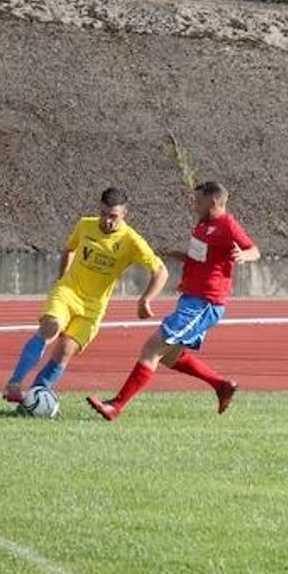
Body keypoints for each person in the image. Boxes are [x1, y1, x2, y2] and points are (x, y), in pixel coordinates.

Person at [87, 180, 259, 420]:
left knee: (152, 349)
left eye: (198, 201)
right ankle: (221, 385)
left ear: (215, 201)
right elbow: (201, 259)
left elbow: (254, 250)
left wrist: (243, 255)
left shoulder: (227, 224)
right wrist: (178, 255)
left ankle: (116, 406)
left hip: (205, 303)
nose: (194, 205)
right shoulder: (202, 226)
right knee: (169, 355)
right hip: (190, 299)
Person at [2, 187, 168, 404]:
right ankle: (14, 384)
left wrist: (146, 299)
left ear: (124, 214)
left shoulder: (132, 241)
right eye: (104, 214)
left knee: (65, 351)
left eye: (114, 217)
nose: (108, 221)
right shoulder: (85, 224)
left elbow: (161, 271)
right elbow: (70, 249)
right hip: (68, 292)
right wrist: (62, 279)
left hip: (93, 307)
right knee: (49, 329)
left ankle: (35, 398)